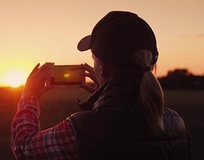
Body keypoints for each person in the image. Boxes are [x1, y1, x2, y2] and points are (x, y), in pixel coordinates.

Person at [11, 11, 191, 160]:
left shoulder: (80, 130)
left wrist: (29, 97)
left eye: (94, 59)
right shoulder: (177, 123)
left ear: (102, 67)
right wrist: (102, 98)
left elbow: (23, 147)